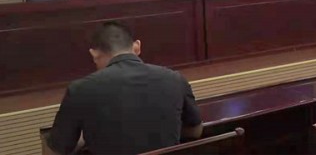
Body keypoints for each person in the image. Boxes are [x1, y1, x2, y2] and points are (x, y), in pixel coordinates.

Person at [46, 22, 202, 155]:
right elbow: (195, 131)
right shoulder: (174, 78)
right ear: (137, 47)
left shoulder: (80, 89)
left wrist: (87, 136)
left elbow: (57, 150)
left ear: (94, 54)